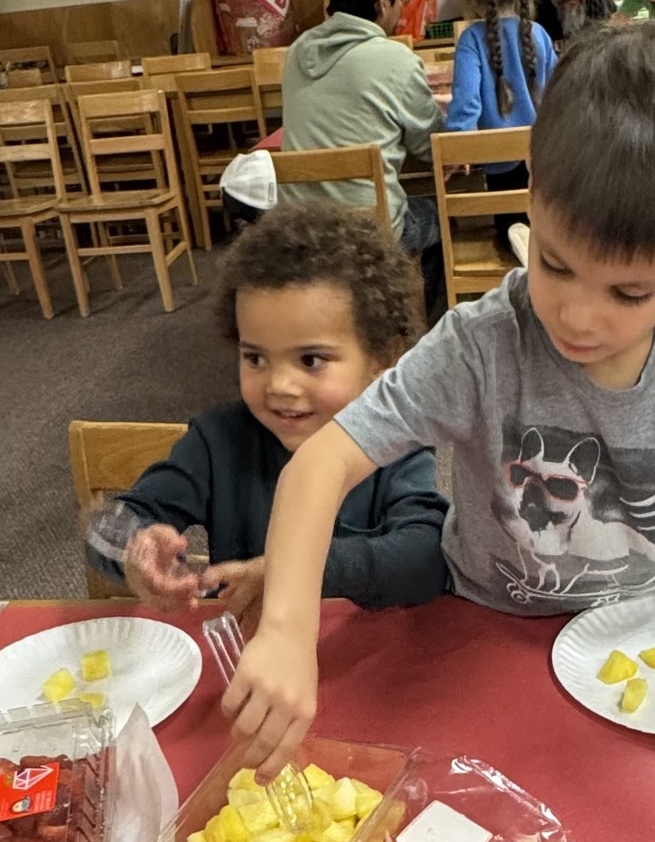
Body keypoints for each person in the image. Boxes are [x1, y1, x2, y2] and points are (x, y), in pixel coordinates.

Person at [222, 26, 655, 804]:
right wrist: (290, 632)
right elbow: (321, 464)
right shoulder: (480, 344)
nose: (578, 315)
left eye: (629, 293)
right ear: (532, 188)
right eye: (555, 263)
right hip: (485, 635)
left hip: (640, 647)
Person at [86, 203, 449, 629]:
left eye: (310, 359)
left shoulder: (394, 446)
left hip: (362, 661)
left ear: (383, 360)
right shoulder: (217, 441)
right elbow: (107, 526)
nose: (279, 385)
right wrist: (136, 548)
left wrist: (294, 569)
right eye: (255, 357)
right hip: (249, 660)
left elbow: (427, 559)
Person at [279, 0, 445, 300]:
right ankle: (408, 334)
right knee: (438, 219)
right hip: (367, 231)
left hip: (300, 229)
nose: (401, 5)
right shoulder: (396, 60)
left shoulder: (295, 54)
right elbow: (431, 148)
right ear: (383, 0)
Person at [446, 0, 558, 242]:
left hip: (500, 174)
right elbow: (557, 102)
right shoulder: (540, 35)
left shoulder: (472, 40)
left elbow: (464, 109)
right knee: (540, 238)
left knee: (505, 235)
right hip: (543, 171)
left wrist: (457, 146)